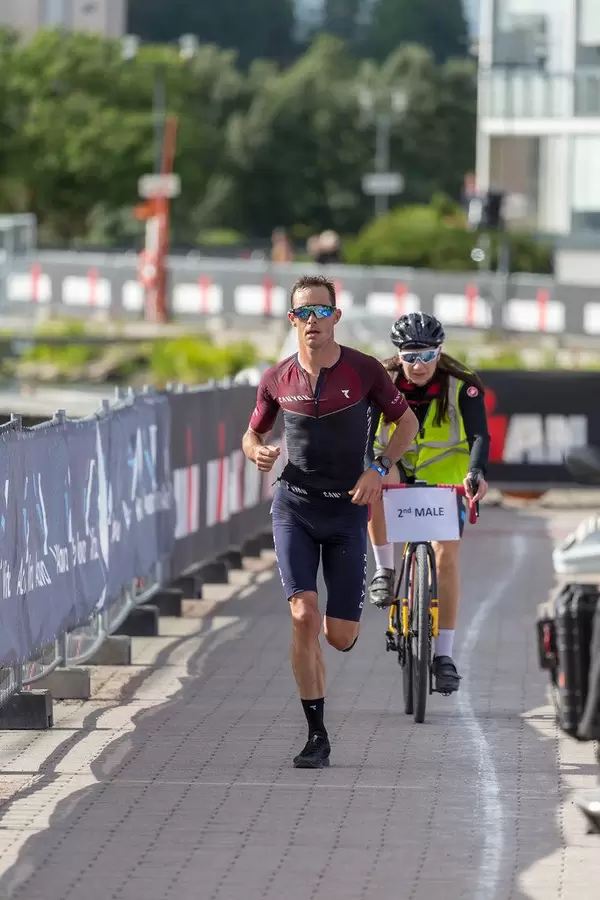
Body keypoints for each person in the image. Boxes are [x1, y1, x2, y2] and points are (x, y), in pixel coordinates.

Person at [242, 274, 418, 769]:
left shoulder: (363, 371)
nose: (312, 320)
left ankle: (332, 634)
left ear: (335, 317)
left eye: (321, 311)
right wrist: (258, 452)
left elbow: (407, 423)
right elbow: (250, 434)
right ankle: (316, 733)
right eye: (303, 312)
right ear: (292, 319)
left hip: (346, 512)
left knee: (338, 636)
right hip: (294, 507)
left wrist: (379, 470)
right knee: (303, 615)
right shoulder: (277, 377)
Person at [367, 312, 490, 695]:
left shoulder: (462, 386)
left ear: (440, 351)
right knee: (374, 481)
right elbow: (366, 431)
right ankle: (385, 571)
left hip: (446, 476)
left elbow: (479, 437)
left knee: (446, 559)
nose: (418, 365)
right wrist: (367, 467)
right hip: (396, 464)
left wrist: (476, 474)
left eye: (427, 355)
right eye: (410, 356)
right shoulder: (381, 383)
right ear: (398, 355)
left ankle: (444, 656)